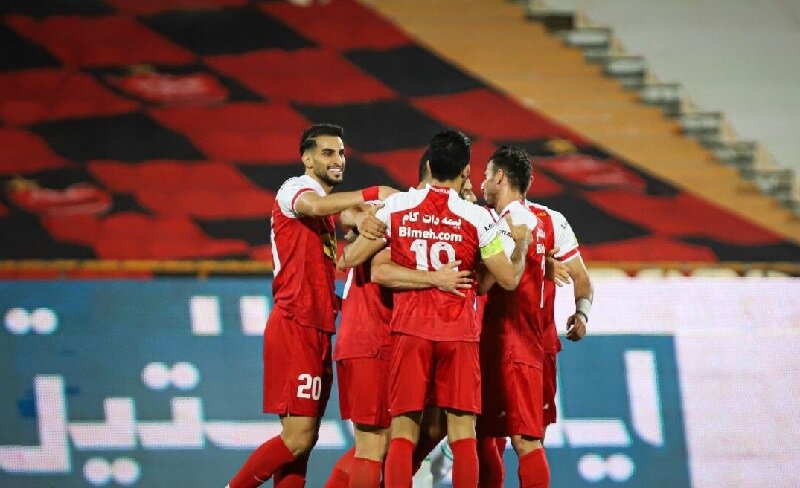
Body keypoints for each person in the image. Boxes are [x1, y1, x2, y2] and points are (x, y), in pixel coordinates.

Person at [338, 129, 531, 488]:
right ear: (465, 172)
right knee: (462, 432)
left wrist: (360, 224)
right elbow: (507, 279)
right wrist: (519, 246)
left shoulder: (397, 207)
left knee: (402, 432)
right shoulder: (476, 218)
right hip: (458, 335)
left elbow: (352, 258)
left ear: (428, 165)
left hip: (409, 332)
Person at [226, 124, 393, 488]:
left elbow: (346, 214)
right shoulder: (295, 189)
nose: (338, 160)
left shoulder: (328, 213)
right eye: (328, 153)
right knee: (297, 438)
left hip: (319, 327)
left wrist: (368, 215)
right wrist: (371, 193)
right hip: (295, 323)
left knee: (304, 442)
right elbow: (317, 205)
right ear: (307, 158)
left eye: (342, 153)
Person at [476, 145, 551, 488]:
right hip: (512, 342)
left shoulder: (511, 223)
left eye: (486, 176)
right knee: (483, 434)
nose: (482, 183)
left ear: (500, 178)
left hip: (511, 346)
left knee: (524, 440)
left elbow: (493, 280)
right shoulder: (528, 219)